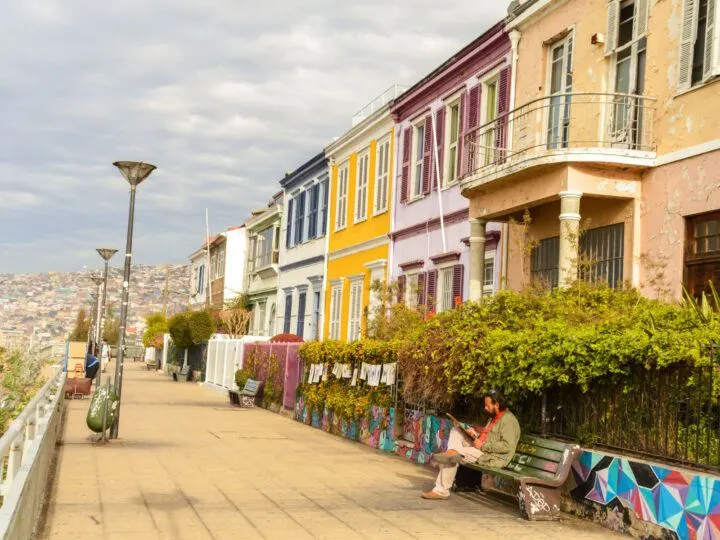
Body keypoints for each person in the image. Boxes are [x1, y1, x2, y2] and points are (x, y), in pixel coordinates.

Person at [421, 390, 521, 500]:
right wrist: (475, 434)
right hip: (480, 447)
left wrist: (483, 446)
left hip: (490, 455)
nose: (485, 408)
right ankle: (453, 451)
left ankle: (441, 490)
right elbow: (489, 436)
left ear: (496, 405)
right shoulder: (495, 417)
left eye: (487, 405)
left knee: (455, 455)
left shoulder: (509, 421)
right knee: (456, 430)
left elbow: (507, 446)